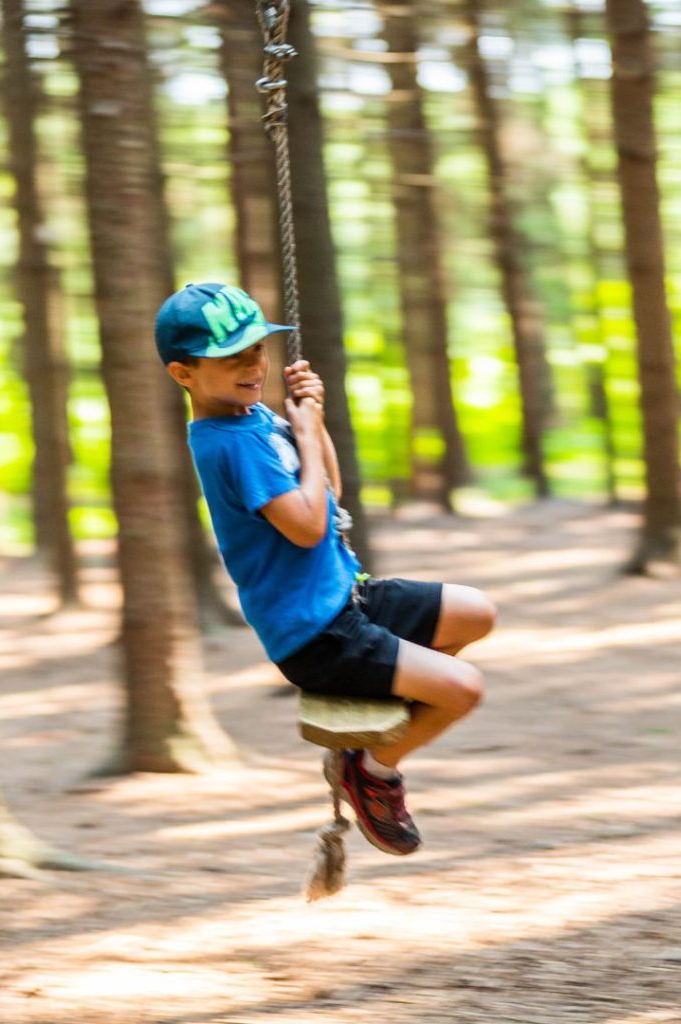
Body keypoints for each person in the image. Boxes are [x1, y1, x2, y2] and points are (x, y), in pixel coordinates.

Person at [155, 282, 496, 856]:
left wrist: (314, 425)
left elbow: (327, 493)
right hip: (317, 635)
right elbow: (308, 528)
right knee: (464, 689)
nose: (252, 366)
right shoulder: (230, 444)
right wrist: (308, 438)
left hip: (346, 597)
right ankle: (372, 772)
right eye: (231, 357)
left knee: (475, 612)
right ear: (183, 373)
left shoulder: (253, 418)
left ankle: (375, 718)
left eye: (257, 350)